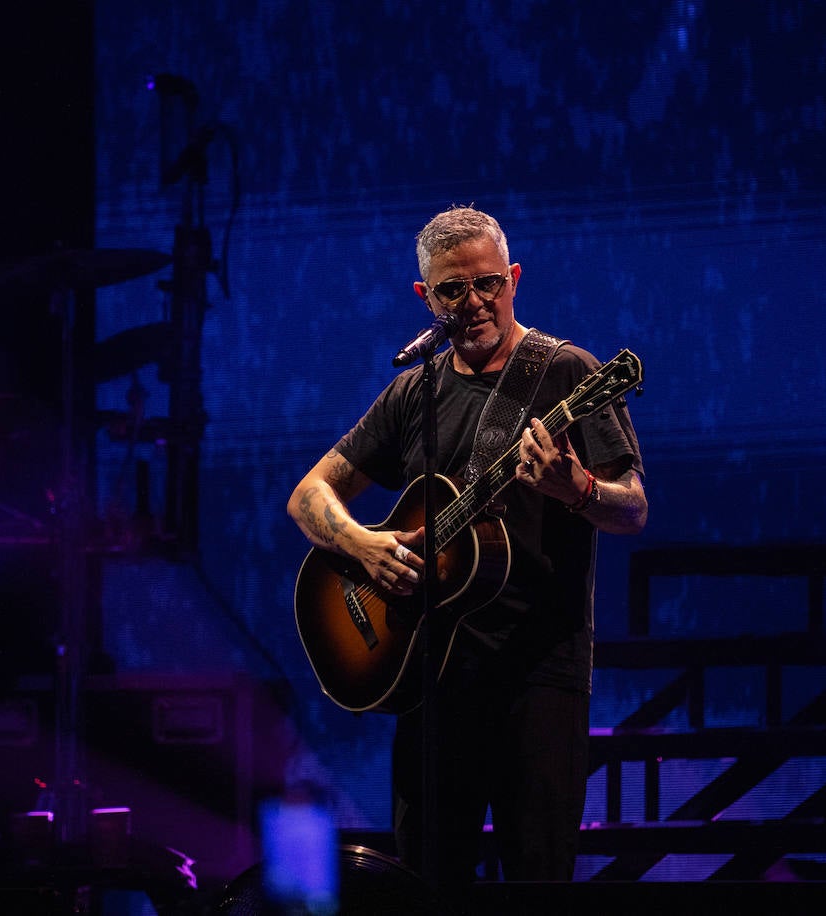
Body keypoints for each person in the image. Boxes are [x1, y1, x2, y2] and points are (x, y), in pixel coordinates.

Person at [287, 205, 647, 890]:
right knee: (428, 882)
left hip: (537, 672)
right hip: (431, 677)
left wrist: (576, 488)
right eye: (454, 290)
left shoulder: (568, 371)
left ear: (513, 279)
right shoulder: (413, 391)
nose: (475, 301)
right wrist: (364, 547)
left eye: (489, 283)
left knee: (535, 878)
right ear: (426, 298)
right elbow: (309, 494)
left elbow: (633, 507)